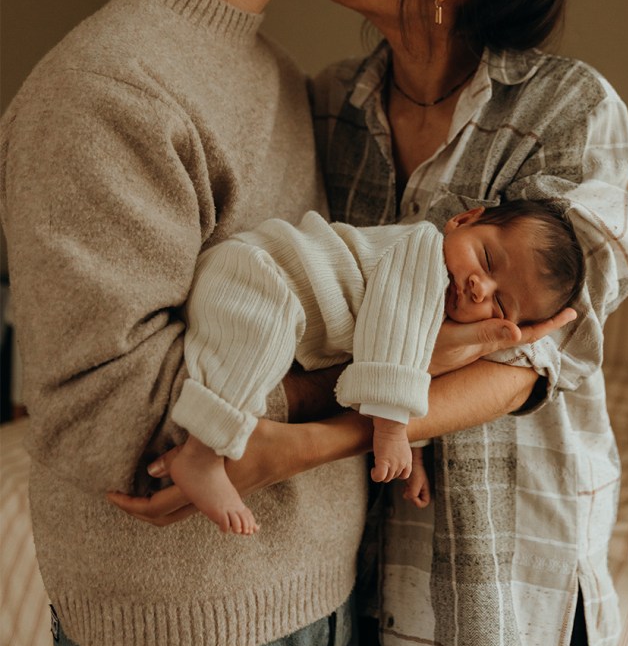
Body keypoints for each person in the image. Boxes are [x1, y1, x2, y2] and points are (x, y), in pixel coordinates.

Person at [112, 0, 628, 646]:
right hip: (354, 569)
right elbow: (311, 305)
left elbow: (525, 359)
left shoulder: (568, 112)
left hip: (507, 573)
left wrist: (302, 445)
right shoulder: (327, 104)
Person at [0, 0, 366, 646]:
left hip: (321, 588)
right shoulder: (104, 88)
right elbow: (107, 406)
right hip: (190, 620)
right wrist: (360, 377)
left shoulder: (279, 77)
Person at [169, 199, 585, 533]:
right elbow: (394, 329)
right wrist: (390, 430)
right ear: (465, 219)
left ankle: (200, 441)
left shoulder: (439, 303)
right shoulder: (424, 250)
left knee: (252, 361)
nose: (481, 286)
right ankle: (200, 455)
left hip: (268, 296)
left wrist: (414, 453)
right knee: (255, 348)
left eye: (500, 303)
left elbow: (410, 362)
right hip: (259, 275)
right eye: (488, 260)